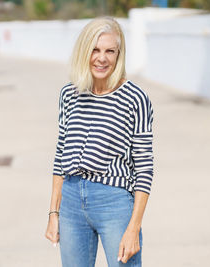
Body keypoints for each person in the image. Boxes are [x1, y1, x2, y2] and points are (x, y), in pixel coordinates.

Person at [45, 17, 154, 267]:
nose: (101, 58)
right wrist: (54, 213)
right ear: (84, 51)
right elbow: (61, 155)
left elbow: (144, 168)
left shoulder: (135, 98)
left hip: (114, 202)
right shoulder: (69, 94)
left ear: (119, 55)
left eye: (109, 51)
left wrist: (133, 228)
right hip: (71, 201)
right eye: (95, 49)